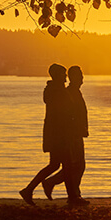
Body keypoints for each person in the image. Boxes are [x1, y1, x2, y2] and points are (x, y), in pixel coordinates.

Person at [19, 63, 69, 205]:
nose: (66, 76)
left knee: (54, 165)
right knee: (63, 164)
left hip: (54, 132)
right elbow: (62, 113)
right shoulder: (57, 91)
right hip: (58, 133)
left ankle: (30, 189)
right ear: (58, 76)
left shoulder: (54, 90)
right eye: (63, 74)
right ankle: (44, 185)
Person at [43, 65, 89, 205]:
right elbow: (70, 114)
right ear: (72, 78)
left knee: (77, 166)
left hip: (76, 133)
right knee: (75, 166)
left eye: (82, 76)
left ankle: (73, 193)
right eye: (79, 76)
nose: (82, 79)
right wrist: (76, 129)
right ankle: (70, 193)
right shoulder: (70, 93)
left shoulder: (75, 92)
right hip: (72, 134)